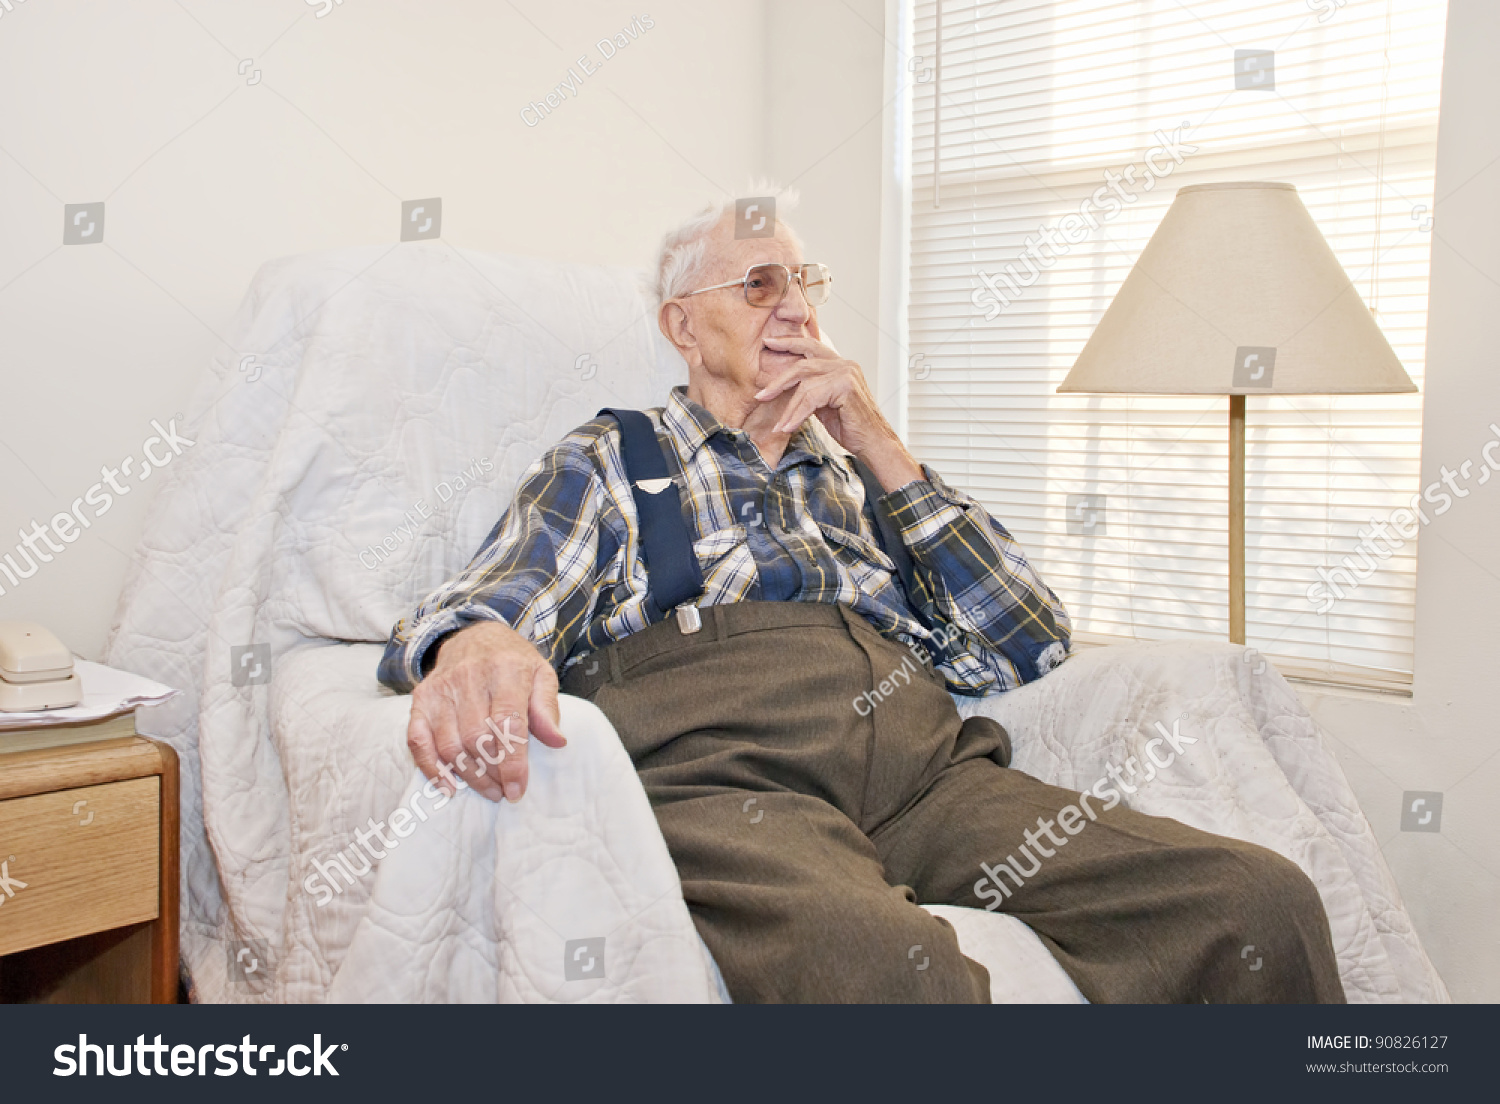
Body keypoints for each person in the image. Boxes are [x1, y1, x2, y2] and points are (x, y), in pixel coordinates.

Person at [377, 193, 1345, 1004]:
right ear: (680, 323)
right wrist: (480, 650)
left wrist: (875, 437)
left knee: (1261, 903)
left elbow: (1026, 641)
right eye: (760, 284)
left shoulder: (851, 477)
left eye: (806, 283)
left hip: (927, 778)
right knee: (894, 973)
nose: (796, 308)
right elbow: (487, 604)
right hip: (733, 785)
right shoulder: (617, 459)